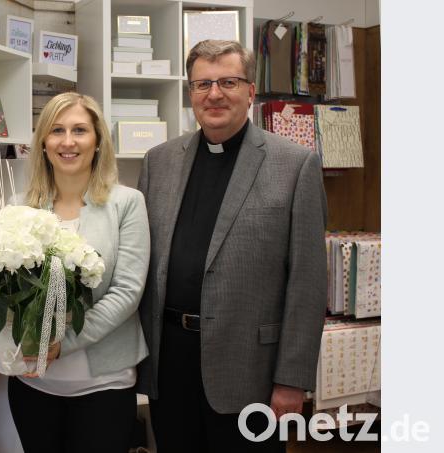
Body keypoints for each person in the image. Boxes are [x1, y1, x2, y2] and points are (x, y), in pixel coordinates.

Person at [136, 40, 328, 451]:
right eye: (202, 84)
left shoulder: (295, 165)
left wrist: (292, 381)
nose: (214, 94)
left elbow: (308, 284)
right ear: (190, 92)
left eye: (228, 82)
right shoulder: (158, 162)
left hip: (250, 372)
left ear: (251, 90)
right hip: (170, 367)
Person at [7, 92, 151, 453]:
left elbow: (127, 292)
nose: (68, 141)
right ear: (43, 142)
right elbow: (7, 291)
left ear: (98, 141)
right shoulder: (18, 207)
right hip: (33, 386)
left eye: (80, 130)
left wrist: (61, 344)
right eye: (57, 130)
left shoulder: (127, 203)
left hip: (105, 386)